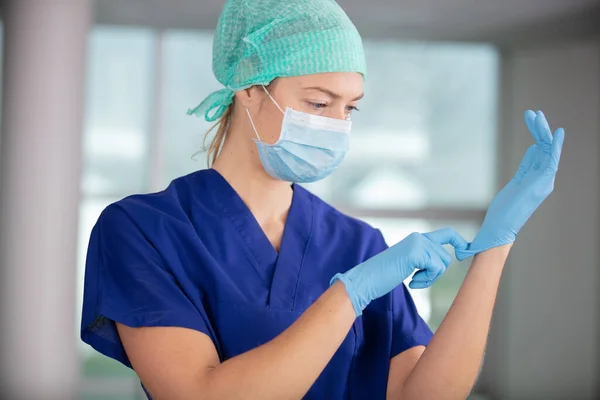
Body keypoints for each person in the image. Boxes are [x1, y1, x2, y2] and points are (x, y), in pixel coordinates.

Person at [80, 0, 565, 399]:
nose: (335, 124)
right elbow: (199, 394)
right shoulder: (143, 230)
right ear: (249, 88)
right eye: (318, 103)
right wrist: (347, 296)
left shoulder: (358, 244)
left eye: (349, 107)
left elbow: (424, 395)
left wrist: (494, 245)